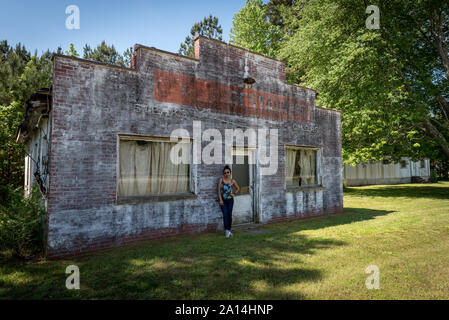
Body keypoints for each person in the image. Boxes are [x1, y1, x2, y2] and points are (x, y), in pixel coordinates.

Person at [217, 165, 240, 238]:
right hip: (223, 200)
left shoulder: (233, 181)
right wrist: (220, 199)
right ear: (223, 174)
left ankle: (229, 230)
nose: (226, 174)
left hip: (230, 200)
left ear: (230, 173)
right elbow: (218, 191)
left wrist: (234, 194)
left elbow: (238, 188)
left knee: (229, 214)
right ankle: (227, 231)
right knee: (225, 214)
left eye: (228, 172)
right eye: (225, 173)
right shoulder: (221, 180)